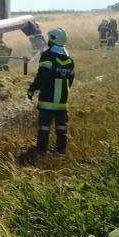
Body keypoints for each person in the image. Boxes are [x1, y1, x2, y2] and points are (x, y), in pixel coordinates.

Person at [27, 27, 75, 155]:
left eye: (49, 38)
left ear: (53, 39)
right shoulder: (69, 60)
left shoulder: (48, 56)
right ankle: (61, 150)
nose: (47, 41)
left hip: (48, 99)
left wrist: (32, 89)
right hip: (62, 101)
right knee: (62, 126)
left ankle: (42, 151)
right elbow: (70, 80)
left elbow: (42, 76)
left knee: (44, 125)